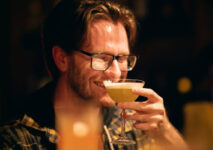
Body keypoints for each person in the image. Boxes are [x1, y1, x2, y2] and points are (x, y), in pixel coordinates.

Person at [0, 0, 189, 150]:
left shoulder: (130, 124)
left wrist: (165, 131)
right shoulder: (17, 139)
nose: (116, 73)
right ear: (61, 58)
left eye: (122, 58)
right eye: (101, 58)